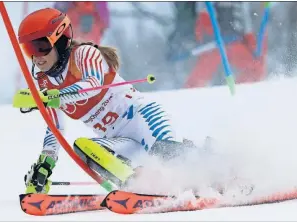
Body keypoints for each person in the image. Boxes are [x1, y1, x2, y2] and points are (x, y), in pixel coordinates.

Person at [16, 8, 194, 194]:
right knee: (85, 148)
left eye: (40, 46)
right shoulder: (46, 83)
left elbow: (91, 83)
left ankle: (215, 171)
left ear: (60, 39)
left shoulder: (85, 54)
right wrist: (45, 165)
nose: (36, 57)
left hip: (141, 118)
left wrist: (52, 97)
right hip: (118, 140)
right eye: (29, 50)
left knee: (169, 156)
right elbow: (55, 128)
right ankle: (137, 185)